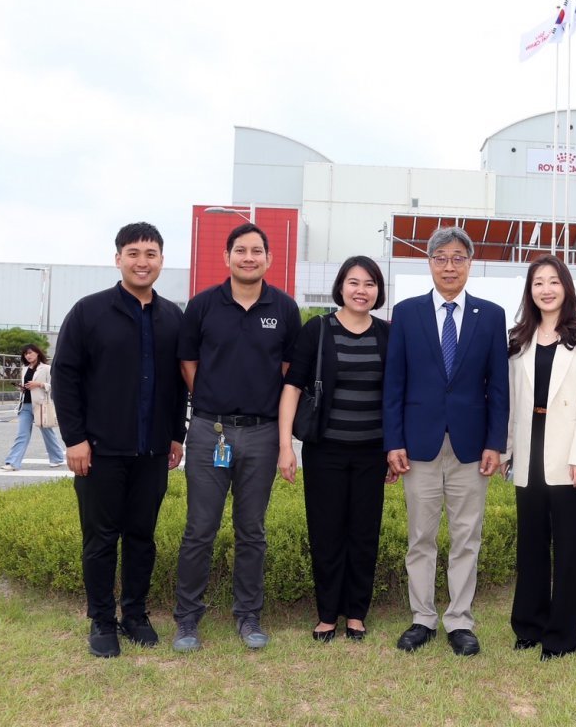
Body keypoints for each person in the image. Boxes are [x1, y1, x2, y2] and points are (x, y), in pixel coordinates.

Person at [51, 222, 187, 659]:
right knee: (100, 538)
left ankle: (135, 615)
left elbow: (176, 386)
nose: (142, 261)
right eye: (133, 253)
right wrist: (75, 439)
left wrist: (176, 436)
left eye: (150, 254)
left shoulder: (173, 317)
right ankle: (101, 620)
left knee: (142, 536)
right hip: (100, 451)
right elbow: (64, 377)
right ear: (118, 259)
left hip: (152, 450)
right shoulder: (89, 312)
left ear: (162, 260)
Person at [171, 223, 302, 652]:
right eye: (240, 250)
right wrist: (212, 401)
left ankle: (248, 616)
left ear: (268, 258)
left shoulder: (283, 308)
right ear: (226, 257)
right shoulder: (203, 305)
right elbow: (187, 361)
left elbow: (289, 374)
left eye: (257, 251)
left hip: (262, 434)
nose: (249, 257)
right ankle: (187, 619)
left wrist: (279, 438)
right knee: (199, 530)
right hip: (212, 432)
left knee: (252, 531)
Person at [383, 226, 509, 656]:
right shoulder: (406, 313)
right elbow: (394, 384)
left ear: (470, 264)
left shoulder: (490, 316)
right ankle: (422, 618)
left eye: (458, 257)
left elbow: (498, 387)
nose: (449, 265)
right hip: (417, 446)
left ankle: (459, 620)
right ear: (429, 264)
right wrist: (393, 441)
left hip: (472, 448)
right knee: (420, 536)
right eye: (441, 257)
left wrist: (496, 442)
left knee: (466, 536)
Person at [278, 256, 390, 643]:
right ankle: (327, 614)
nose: (362, 290)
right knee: (326, 533)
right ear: (341, 287)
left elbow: (396, 396)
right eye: (354, 282)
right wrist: (285, 447)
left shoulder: (386, 334)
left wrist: (394, 449)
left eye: (370, 284)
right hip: (324, 451)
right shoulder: (318, 330)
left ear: (378, 291)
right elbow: (292, 387)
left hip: (372, 453)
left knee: (364, 533)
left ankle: (356, 613)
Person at [502, 255, 576, 661]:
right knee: (529, 545)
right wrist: (506, 452)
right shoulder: (518, 338)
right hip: (529, 449)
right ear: (530, 291)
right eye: (538, 282)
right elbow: (511, 402)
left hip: (568, 456)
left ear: (566, 288)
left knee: (567, 550)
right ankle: (528, 626)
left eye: (553, 281)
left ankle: (562, 636)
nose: (546, 289)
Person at [1, 344, 65, 471]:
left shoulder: (47, 368)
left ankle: (57, 458)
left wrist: (39, 384)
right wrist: (22, 388)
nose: (28, 356)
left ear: (37, 353)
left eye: (30, 353)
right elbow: (28, 386)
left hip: (40, 405)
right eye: (25, 354)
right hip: (25, 405)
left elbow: (55, 385)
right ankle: (12, 462)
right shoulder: (25, 369)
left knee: (48, 433)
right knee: (22, 434)